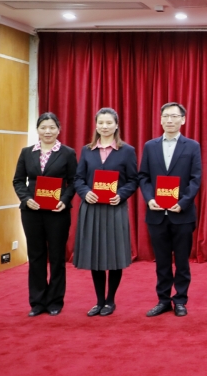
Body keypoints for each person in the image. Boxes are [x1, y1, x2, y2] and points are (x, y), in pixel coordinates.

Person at [138, 102, 202, 317]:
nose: (170, 120)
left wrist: (182, 203)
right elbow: (143, 176)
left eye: (174, 116)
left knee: (182, 261)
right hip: (156, 213)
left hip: (182, 214)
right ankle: (163, 300)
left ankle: (180, 300)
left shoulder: (192, 146)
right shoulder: (150, 146)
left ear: (183, 120)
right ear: (160, 119)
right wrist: (149, 199)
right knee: (162, 262)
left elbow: (195, 179)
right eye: (166, 116)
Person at [73, 108, 138, 316]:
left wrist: (121, 194)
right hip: (92, 208)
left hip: (114, 208)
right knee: (95, 255)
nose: (104, 126)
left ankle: (110, 300)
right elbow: (78, 178)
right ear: (96, 125)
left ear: (116, 125)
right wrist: (85, 193)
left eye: (109, 123)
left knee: (114, 254)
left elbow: (133, 180)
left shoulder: (127, 150)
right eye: (101, 122)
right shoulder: (87, 150)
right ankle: (99, 301)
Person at [12, 112, 78, 317]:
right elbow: (18, 180)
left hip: (57, 212)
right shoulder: (27, 152)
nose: (47, 131)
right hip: (31, 211)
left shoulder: (67, 153)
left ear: (58, 129)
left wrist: (64, 200)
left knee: (57, 256)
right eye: (43, 127)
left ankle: (55, 301)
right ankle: (38, 301)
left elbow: (74, 181)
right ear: (38, 130)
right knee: (36, 256)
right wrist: (26, 199)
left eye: (52, 127)